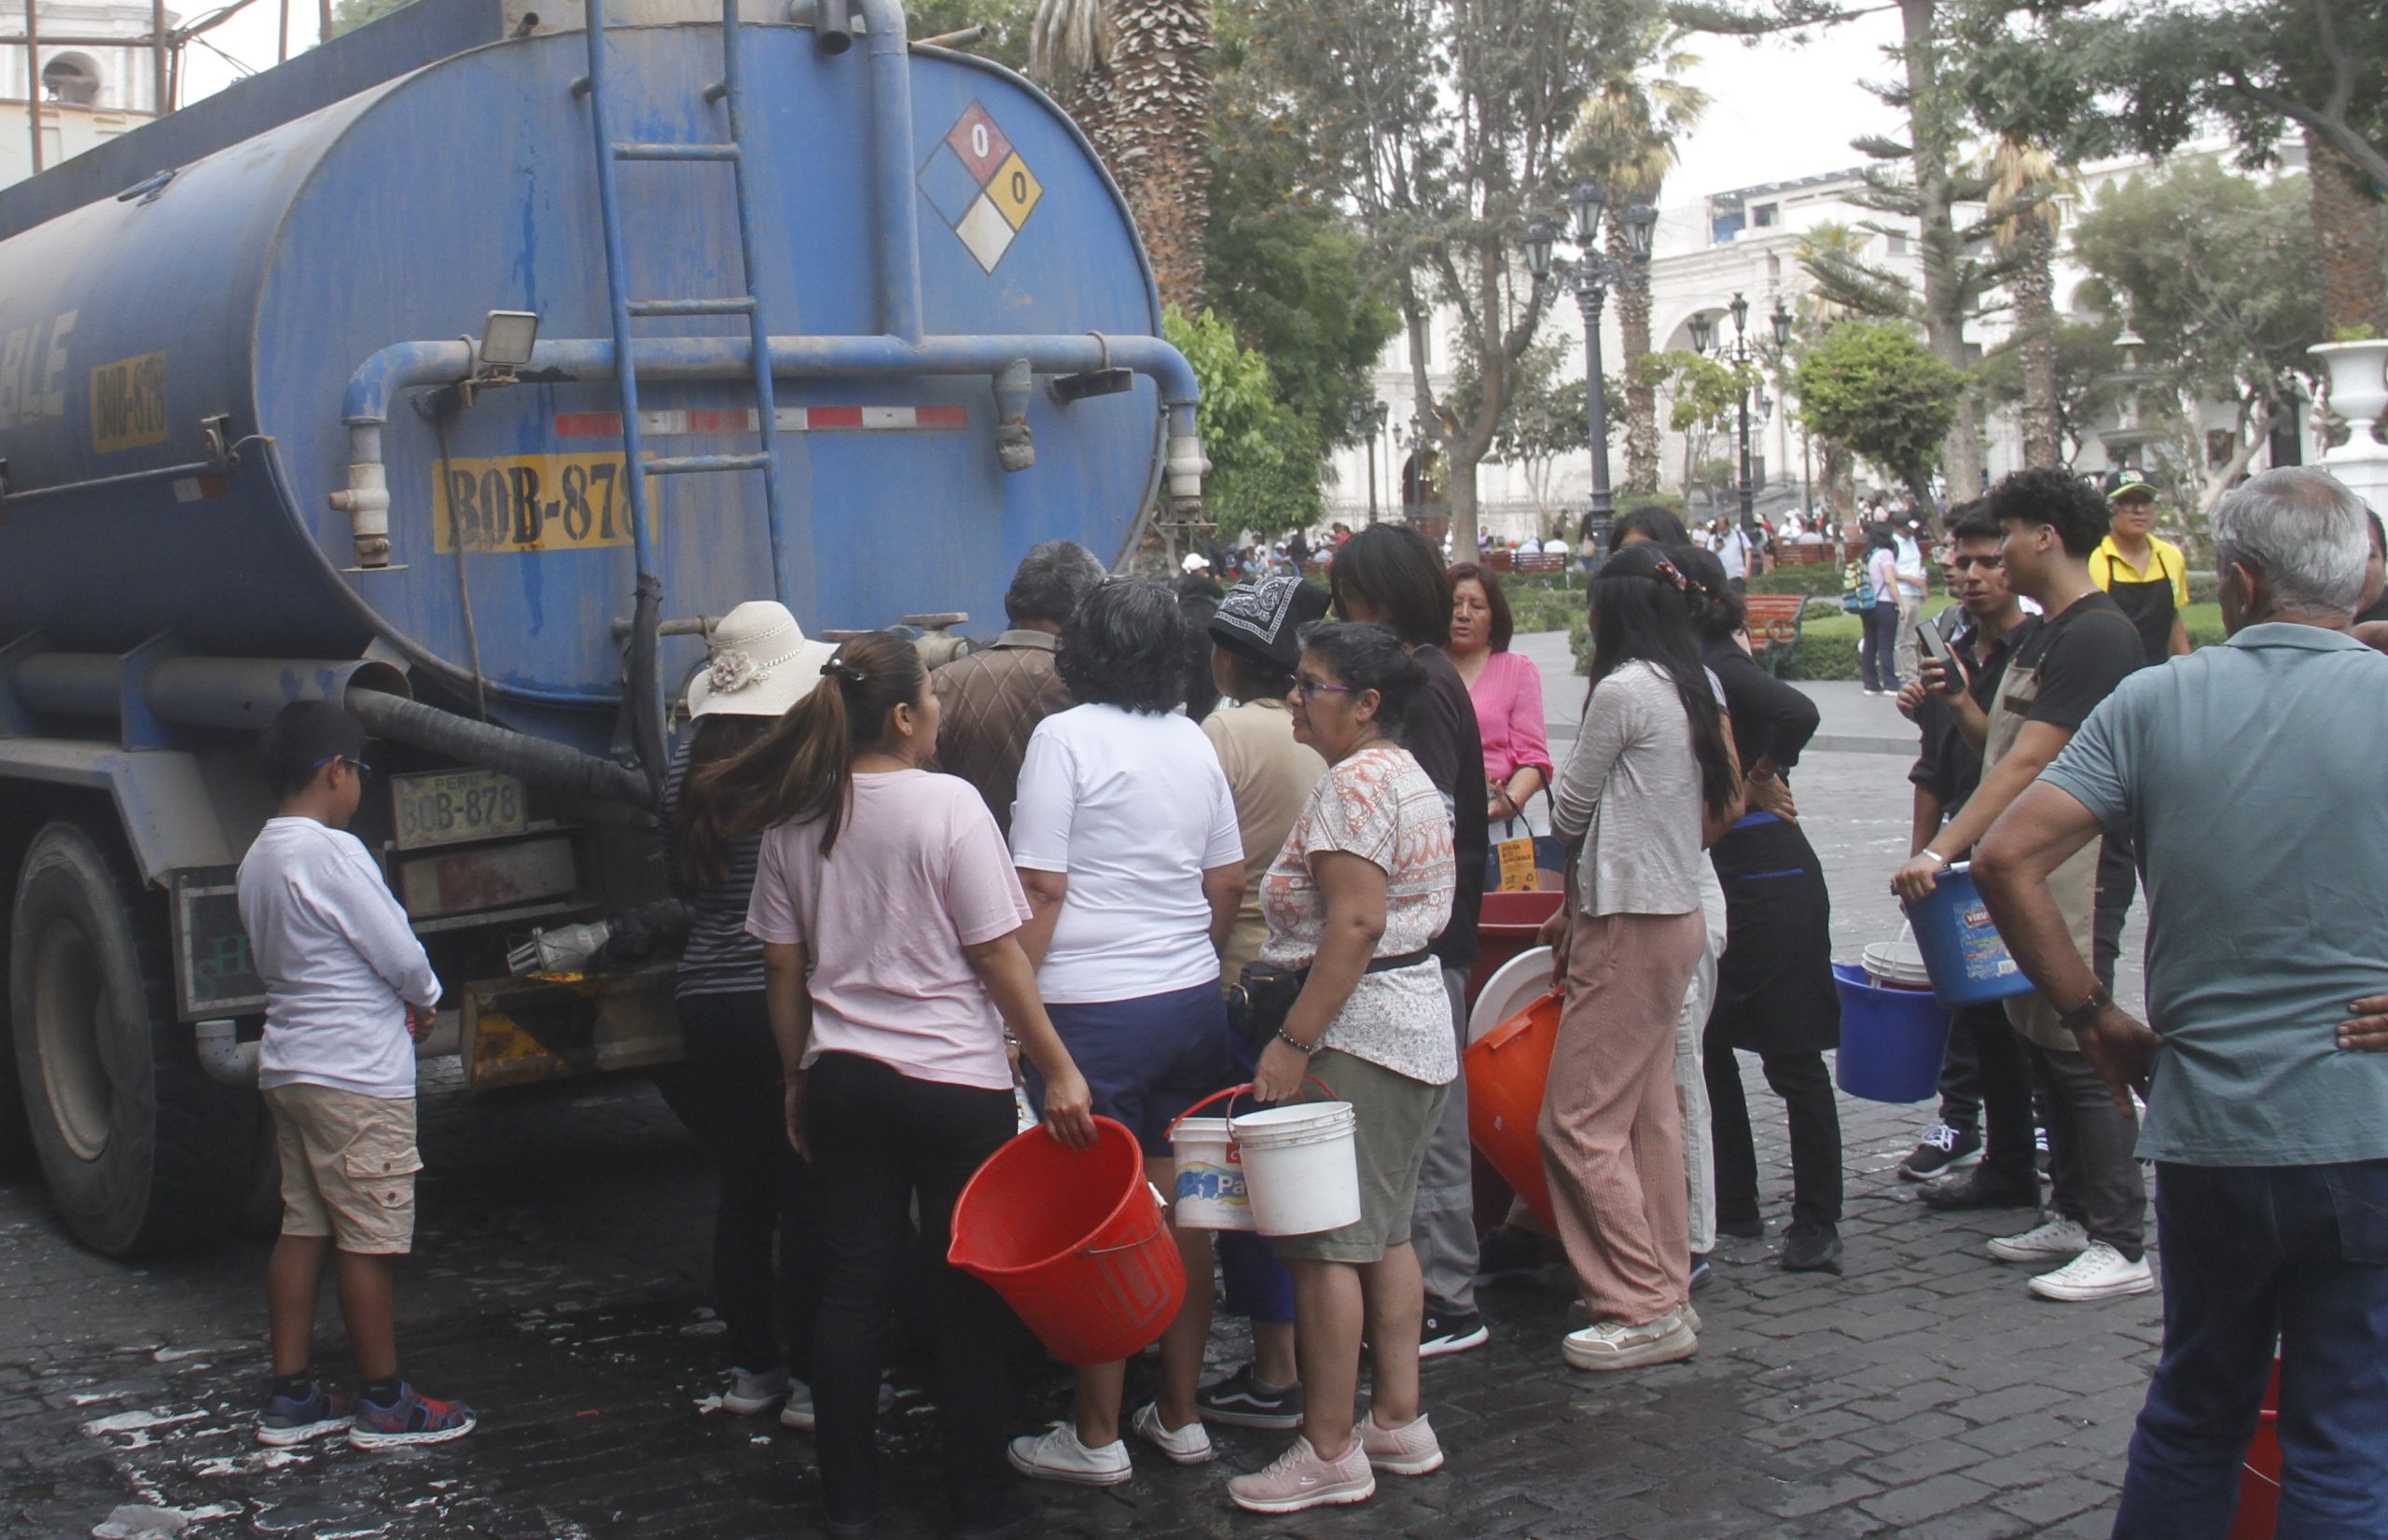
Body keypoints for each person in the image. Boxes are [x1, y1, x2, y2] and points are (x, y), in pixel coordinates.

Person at [1971, 466, 2388, 1533]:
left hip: (2209, 1126)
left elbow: (2006, 856)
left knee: (2194, 1410)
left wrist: (2091, 1016)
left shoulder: (2156, 700)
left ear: (2237, 582)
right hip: (2364, 1128)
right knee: (2346, 1433)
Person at [716, 629, 1097, 1540]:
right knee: (964, 1292)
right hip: (952, 1086)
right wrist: (1058, 1067)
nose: (940, 708)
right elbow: (999, 956)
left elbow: (782, 969)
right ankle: (980, 1499)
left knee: (852, 1287)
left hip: (843, 1077)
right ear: (899, 715)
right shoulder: (949, 807)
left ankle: (848, 1504)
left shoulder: (793, 817)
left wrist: (796, 1076)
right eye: (931, 693)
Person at [1005, 579, 1245, 1484]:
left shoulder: (1062, 738)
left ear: (1081, 649)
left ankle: (1096, 1431)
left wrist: (1011, 1007)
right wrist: (1190, 956)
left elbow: (1042, 888)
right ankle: (1178, 1413)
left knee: (1100, 1212)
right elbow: (1225, 879)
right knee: (1189, 1202)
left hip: (1090, 1009)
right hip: (1188, 1000)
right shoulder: (1191, 739)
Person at [1892, 467, 2148, 1303]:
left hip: (2078, 865)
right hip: (2025, 865)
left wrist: (1941, 850)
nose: (1990, 556)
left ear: (2045, 537)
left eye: (2005, 537)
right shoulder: (2047, 634)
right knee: (2039, 1032)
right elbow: (2001, 746)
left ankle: (2122, 1236)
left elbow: (2038, 762)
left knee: (2079, 1037)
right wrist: (1960, 704)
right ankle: (2072, 1209)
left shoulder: (2097, 636)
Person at [1226, 622, 1456, 1514]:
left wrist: (1293, 1041)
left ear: (1366, 704)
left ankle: (1328, 1447)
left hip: (1357, 1037)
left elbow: (1353, 925)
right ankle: (1397, 1417)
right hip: (1410, 1027)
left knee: (1325, 1245)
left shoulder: (1353, 787)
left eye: (1313, 684)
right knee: (1385, 1234)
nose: (1294, 695)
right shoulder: (1397, 772)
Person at [238, 701, 475, 1450]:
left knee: (302, 1227)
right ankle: (383, 1401)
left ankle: (292, 1393)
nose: (358, 787)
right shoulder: (334, 854)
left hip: (291, 1065)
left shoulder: (259, 857)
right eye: (358, 772)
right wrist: (428, 999)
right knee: (368, 1238)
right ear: (334, 771)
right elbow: (399, 952)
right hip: (356, 1077)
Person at [1535, 544, 1742, 1370]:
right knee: (1650, 1113)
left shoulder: (1623, 691)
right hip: (1676, 910)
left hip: (1630, 919)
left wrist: (1569, 892)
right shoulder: (1693, 684)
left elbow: (1572, 799)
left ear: (1610, 615)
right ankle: (1667, 1285)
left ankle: (1638, 1302)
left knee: (1577, 1121)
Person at [661, 601, 834, 1426]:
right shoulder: (801, 769)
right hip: (786, 993)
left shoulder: (680, 768)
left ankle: (752, 1369)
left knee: (741, 1191)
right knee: (806, 1190)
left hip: (704, 997)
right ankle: (809, 1377)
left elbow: (681, 888)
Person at [1327, 525, 1489, 1356]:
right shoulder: (1429, 674)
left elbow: (1416, 825)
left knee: (1427, 1127)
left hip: (1422, 942)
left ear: (1380, 600)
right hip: (1429, 938)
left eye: (1350, 599)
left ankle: (1449, 1294)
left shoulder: (1419, 687)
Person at [1678, 552, 1844, 1275]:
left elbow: (1797, 710)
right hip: (1723, 873)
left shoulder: (1717, 662)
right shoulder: (1684, 668)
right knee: (1711, 1044)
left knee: (1792, 1054)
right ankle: (1736, 1200)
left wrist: (1757, 779)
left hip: (1769, 876)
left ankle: (1818, 1219)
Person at [1191, 575, 1331, 1434]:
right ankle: (1316, 1348)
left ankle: (1276, 1369)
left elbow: (1210, 868)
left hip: (1246, 975)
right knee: (1314, 1174)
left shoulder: (1224, 732)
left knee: (1251, 1183)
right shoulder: (1328, 729)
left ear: (1232, 656)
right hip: (1319, 981)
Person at [1893, 506, 2043, 1211]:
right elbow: (1934, 766)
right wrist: (1922, 851)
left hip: (2023, 851)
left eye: (1988, 562)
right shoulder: (1953, 644)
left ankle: (2067, 1177)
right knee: (1980, 1011)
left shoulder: (2040, 650)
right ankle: (2002, 1159)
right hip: (1959, 854)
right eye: (1963, 562)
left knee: (2032, 1016)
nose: (1973, 575)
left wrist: (1953, 698)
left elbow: (2014, 761)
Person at [930, 540, 1107, 839]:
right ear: (1089, 614)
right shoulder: (1104, 688)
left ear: (1008, 604)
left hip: (966, 874)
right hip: (1070, 878)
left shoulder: (942, 685)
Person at [1445, 562, 1552, 858]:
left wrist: (1511, 800)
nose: (1463, 614)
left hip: (1495, 827)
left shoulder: (1517, 670)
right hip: (1431, 823)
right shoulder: (1424, 667)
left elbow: (1534, 759)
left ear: (1493, 617)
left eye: (1476, 606)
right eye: (1455, 604)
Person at [2090, 471, 2191, 667]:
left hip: (2158, 675)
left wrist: (2189, 670)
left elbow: (2173, 621)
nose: (2139, 510)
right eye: (2128, 502)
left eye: (2146, 501)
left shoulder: (2170, 556)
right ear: (2110, 508)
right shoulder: (2093, 558)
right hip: (2108, 676)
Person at [1859, 523, 1902, 695]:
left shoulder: (1868, 555)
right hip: (1885, 603)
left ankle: (1870, 684)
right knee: (1886, 645)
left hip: (1868, 604)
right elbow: (1890, 581)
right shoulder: (1885, 554)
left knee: (1870, 644)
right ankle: (1890, 684)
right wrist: (1901, 603)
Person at [1893, 519, 1930, 680]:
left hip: (1915, 592)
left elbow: (1918, 565)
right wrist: (1909, 579)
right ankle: (1905, 672)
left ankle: (1913, 671)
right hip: (1902, 592)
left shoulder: (1912, 541)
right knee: (1902, 636)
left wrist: (1923, 585)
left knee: (1913, 636)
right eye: (1906, 529)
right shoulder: (1893, 544)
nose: (1909, 532)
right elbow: (1889, 571)